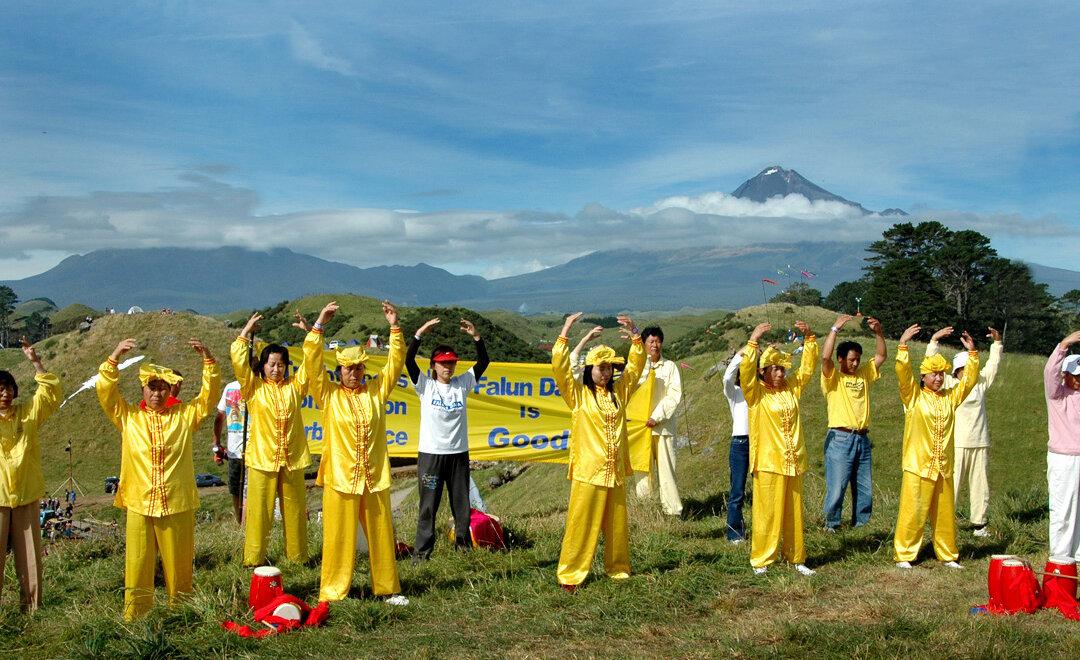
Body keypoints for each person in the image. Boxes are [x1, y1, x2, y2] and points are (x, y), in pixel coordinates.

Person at [97, 337, 220, 619]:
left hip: (176, 503)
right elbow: (106, 392)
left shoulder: (184, 416)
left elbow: (208, 397)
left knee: (179, 563)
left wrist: (209, 360)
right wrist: (114, 358)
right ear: (142, 389)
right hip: (139, 502)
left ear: (171, 389)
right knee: (138, 562)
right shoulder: (128, 417)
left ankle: (182, 612)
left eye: (163, 387)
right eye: (152, 387)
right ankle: (136, 615)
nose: (157, 393)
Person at [308, 301, 410, 605]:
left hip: (374, 477)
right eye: (348, 368)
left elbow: (395, 364)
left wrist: (394, 327)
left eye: (359, 368)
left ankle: (387, 588)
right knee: (338, 537)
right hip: (340, 479)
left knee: (381, 534)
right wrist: (319, 325)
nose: (354, 373)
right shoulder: (328, 395)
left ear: (365, 368)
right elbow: (312, 365)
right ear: (339, 370)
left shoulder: (376, 392)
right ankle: (333, 592)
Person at [551, 312, 644, 591]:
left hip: (614, 471)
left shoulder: (619, 393)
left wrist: (636, 336)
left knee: (617, 525)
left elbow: (635, 369)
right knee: (581, 524)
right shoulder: (578, 395)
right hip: (589, 472)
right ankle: (571, 574)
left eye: (610, 368)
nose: (606, 373)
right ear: (590, 369)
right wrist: (566, 330)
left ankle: (618, 568)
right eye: (601, 368)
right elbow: (560, 368)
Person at [893, 324, 979, 569]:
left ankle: (948, 554)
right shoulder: (913, 396)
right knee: (913, 512)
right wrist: (903, 345)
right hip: (918, 466)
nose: (939, 378)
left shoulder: (950, 398)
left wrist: (972, 354)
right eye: (934, 374)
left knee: (944, 514)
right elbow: (903, 373)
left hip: (943, 466)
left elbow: (968, 382)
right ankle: (905, 554)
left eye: (942, 374)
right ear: (923, 377)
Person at [231, 312, 312, 566]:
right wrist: (245, 331)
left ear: (287, 366)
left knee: (295, 511)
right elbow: (239, 364)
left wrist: (311, 334)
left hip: (292, 459)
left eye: (281, 365)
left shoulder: (295, 387)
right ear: (263, 366)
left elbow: (312, 362)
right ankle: (253, 560)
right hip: (262, 460)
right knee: (259, 513)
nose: (276, 369)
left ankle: (297, 559)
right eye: (271, 364)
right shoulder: (253, 388)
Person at [406, 315, 489, 559]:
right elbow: (409, 360)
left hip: (458, 455)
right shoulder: (425, 386)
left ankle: (463, 549)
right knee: (428, 506)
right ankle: (422, 554)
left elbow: (484, 361)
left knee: (461, 505)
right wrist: (420, 333)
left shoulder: (462, 384)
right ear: (433, 365)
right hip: (431, 455)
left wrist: (476, 337)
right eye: (443, 363)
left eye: (451, 363)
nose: (448, 367)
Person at [740, 322, 819, 576]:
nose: (780, 373)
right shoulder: (756, 394)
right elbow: (745, 373)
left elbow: (807, 370)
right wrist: (753, 341)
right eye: (775, 369)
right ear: (763, 371)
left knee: (794, 512)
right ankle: (762, 559)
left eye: (782, 369)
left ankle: (796, 557)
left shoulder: (791, 388)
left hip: (793, 460)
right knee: (767, 513)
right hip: (768, 462)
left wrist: (809, 339)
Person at [0, 337, 60, 612]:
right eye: (0, 389)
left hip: (25, 495)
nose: (5, 394)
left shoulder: (27, 414)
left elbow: (49, 394)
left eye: (9, 388)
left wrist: (36, 362)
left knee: (30, 558)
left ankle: (32, 608)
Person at [926, 326, 1003, 537]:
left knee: (980, 485)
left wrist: (996, 343)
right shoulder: (949, 384)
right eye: (965, 368)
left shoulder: (980, 383)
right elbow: (931, 365)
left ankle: (980, 524)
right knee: (951, 485)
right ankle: (945, 523)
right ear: (957, 370)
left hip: (980, 442)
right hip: (956, 444)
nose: (969, 371)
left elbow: (993, 365)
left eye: (971, 367)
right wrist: (934, 341)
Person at [819, 315, 887, 531]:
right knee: (837, 486)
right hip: (840, 438)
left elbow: (881, 356)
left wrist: (878, 332)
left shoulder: (864, 374)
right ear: (841, 359)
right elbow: (825, 358)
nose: (855, 363)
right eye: (851, 360)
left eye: (858, 359)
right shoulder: (833, 377)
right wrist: (834, 329)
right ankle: (831, 524)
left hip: (862, 438)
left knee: (864, 487)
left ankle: (861, 525)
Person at [632, 327, 684, 516]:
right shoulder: (638, 367)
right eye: (651, 341)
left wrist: (657, 416)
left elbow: (674, 395)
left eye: (658, 341)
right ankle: (646, 512)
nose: (655, 345)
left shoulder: (670, 367)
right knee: (642, 472)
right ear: (644, 344)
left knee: (666, 470)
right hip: (640, 428)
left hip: (662, 428)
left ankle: (672, 512)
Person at [1045, 330, 1080, 561]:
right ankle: (1060, 554)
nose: (1078, 379)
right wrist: (1064, 345)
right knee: (1063, 506)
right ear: (1065, 374)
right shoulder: (1057, 395)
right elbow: (1050, 372)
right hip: (1063, 458)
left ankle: (1077, 552)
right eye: (1074, 375)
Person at [721, 348, 749, 543]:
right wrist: (740, 355)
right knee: (737, 490)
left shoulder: (761, 391)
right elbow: (727, 377)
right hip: (740, 442)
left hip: (761, 441)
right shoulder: (734, 392)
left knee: (764, 489)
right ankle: (735, 533)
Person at [213, 379, 247, 523]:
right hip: (243, 449)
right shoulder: (231, 387)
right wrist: (216, 444)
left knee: (238, 490)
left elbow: (219, 418)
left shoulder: (230, 387)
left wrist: (216, 443)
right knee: (241, 490)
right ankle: (243, 525)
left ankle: (242, 524)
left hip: (240, 448)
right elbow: (219, 417)